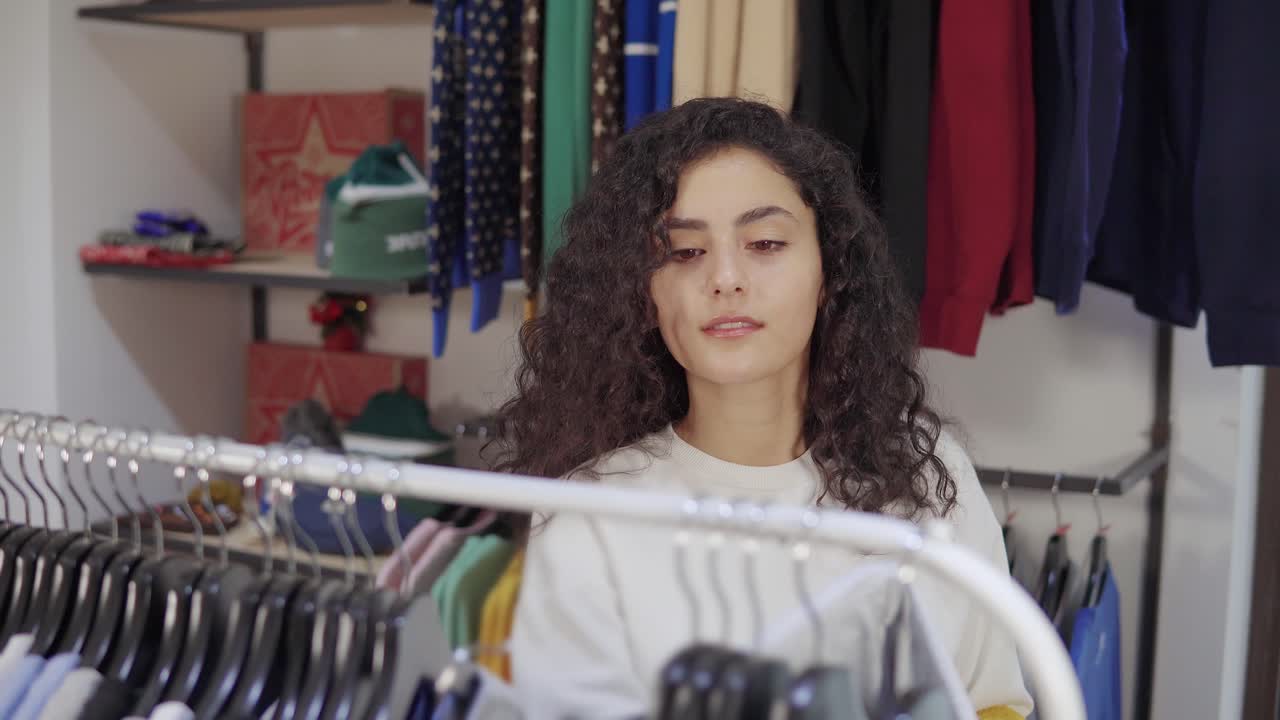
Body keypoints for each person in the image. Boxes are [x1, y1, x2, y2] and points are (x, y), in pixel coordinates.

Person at [493, 97, 1032, 719]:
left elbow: (996, 702)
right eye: (685, 252)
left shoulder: (931, 476)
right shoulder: (587, 516)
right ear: (644, 290)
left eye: (766, 243)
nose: (725, 278)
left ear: (829, 271)